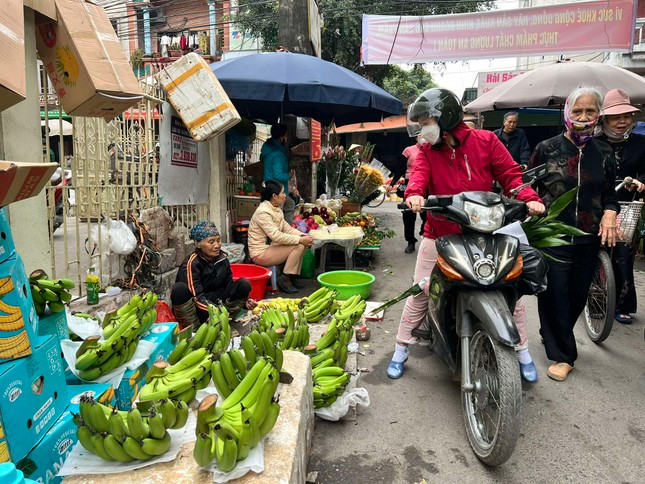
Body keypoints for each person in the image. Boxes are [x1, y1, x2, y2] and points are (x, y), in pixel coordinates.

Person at [387, 88, 545, 381]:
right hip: (439, 232)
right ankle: (400, 349)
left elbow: (510, 175)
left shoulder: (486, 141)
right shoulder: (426, 151)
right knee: (421, 291)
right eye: (420, 124)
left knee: (511, 292)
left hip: (486, 231)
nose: (423, 129)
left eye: (426, 122)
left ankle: (522, 351)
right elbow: (418, 177)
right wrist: (415, 195)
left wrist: (528, 196)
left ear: (444, 118)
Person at [529, 87, 620, 382]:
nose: (584, 117)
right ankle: (563, 354)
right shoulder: (547, 148)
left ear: (599, 114)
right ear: (568, 112)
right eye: (577, 111)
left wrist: (610, 211)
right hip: (553, 235)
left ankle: (553, 332)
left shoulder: (605, 152)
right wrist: (531, 205)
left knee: (577, 293)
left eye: (590, 111)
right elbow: (526, 186)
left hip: (588, 235)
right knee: (553, 291)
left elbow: (609, 194)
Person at [596, 89, 645, 324]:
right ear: (605, 119)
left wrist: (641, 181)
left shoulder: (640, 143)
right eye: (616, 117)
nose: (622, 121)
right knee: (595, 253)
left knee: (623, 254)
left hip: (627, 205)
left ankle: (623, 303)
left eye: (626, 116)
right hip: (597, 204)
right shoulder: (594, 143)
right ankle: (595, 301)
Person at [171, 221, 257, 329]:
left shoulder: (222, 259)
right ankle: (196, 330)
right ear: (198, 244)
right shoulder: (192, 263)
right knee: (179, 289)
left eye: (218, 240)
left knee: (243, 284)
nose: (217, 245)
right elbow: (197, 297)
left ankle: (225, 321)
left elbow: (229, 287)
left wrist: (245, 302)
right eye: (211, 242)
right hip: (199, 310)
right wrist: (216, 311)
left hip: (218, 305)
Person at [248, 180, 313, 294]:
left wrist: (302, 235)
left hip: (270, 247)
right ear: (274, 196)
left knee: (302, 242)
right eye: (283, 193)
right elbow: (276, 236)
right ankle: (285, 278)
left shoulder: (276, 209)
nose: (285, 196)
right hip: (260, 253)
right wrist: (300, 239)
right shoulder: (263, 212)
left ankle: (290, 276)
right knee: (299, 245)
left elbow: (286, 228)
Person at [389, 137, 427, 254]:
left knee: (427, 214)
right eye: (420, 134)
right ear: (416, 137)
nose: (423, 136)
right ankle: (410, 241)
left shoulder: (431, 149)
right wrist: (392, 183)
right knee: (408, 215)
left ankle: (424, 233)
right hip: (410, 184)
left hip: (426, 184)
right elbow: (400, 168)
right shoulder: (408, 150)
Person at [261, 124, 295, 223]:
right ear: (281, 137)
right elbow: (278, 175)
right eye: (286, 135)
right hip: (276, 189)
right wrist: (289, 175)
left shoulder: (268, 148)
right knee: (277, 215)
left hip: (271, 187)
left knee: (289, 204)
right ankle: (283, 232)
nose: (287, 138)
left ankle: (285, 228)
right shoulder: (277, 155)